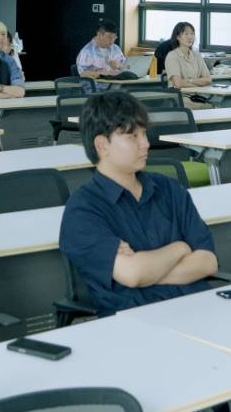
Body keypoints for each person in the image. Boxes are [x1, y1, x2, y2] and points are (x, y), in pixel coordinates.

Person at [59, 90, 217, 315]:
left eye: (144, 134)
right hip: (136, 325)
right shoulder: (83, 210)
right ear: (102, 145)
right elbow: (133, 274)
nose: (146, 144)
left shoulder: (169, 189)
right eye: (133, 136)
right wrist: (181, 247)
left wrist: (148, 272)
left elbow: (207, 262)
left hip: (198, 311)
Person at [163, 21, 211, 91]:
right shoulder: (172, 56)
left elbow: (208, 80)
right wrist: (200, 83)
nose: (190, 37)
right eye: (186, 34)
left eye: (192, 34)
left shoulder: (197, 55)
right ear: (178, 37)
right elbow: (178, 83)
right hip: (181, 97)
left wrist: (190, 81)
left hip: (199, 94)